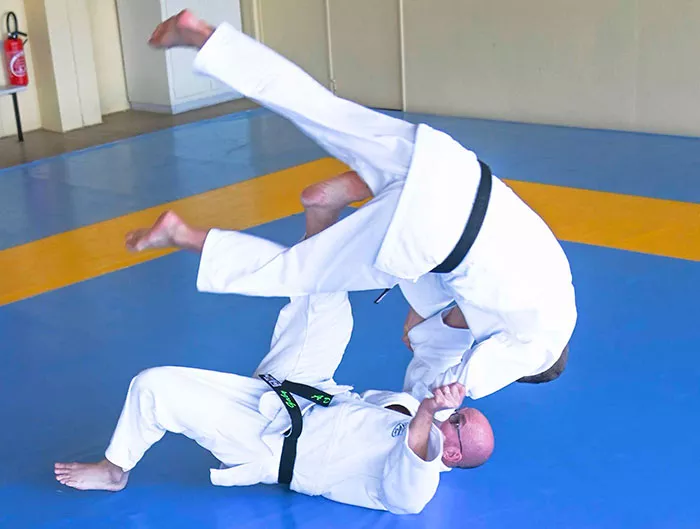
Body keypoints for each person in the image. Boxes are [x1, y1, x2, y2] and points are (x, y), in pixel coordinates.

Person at [126, 10, 577, 410]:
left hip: (452, 168)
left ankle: (207, 38)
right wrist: (444, 402)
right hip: (436, 226)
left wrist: (425, 318)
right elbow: (461, 374)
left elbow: (463, 302)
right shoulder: (538, 348)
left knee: (319, 108)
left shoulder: (554, 286)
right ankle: (181, 234)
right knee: (298, 273)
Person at [54, 288, 494, 515]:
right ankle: (322, 215)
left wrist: (427, 411)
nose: (453, 414)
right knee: (326, 297)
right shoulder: (424, 411)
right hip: (307, 390)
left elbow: (412, 470)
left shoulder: (417, 484)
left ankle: (113, 470)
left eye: (459, 422)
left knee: (154, 384)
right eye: (460, 413)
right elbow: (440, 352)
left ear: (453, 454)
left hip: (267, 442)